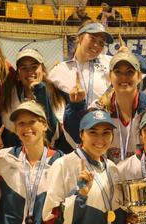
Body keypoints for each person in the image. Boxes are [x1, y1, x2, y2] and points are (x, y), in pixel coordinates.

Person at [64, 51, 146, 164]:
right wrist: (76, 106)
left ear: (139, 76)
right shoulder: (99, 108)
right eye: (118, 72)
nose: (124, 77)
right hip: (108, 176)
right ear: (110, 76)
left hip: (141, 176)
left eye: (130, 72)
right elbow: (77, 138)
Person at [48, 22, 115, 151]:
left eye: (101, 42)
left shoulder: (109, 62)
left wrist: (126, 55)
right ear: (79, 37)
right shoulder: (60, 70)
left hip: (102, 131)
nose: (96, 45)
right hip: (73, 134)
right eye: (92, 39)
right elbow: (53, 101)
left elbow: (140, 70)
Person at [1, 46, 64, 148]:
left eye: (34, 66)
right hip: (19, 152)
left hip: (49, 152)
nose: (30, 71)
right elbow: (10, 132)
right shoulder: (11, 95)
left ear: (42, 70)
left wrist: (42, 97)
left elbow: (54, 134)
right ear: (18, 74)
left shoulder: (55, 93)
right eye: (24, 68)